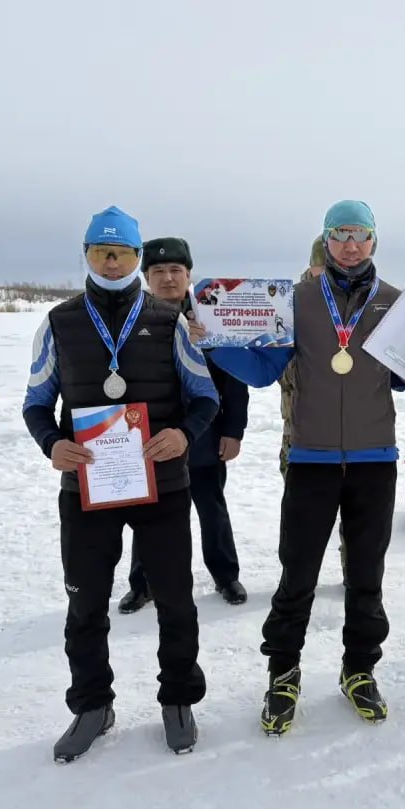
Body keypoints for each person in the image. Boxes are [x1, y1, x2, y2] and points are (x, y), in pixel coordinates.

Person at [212, 201, 405, 736]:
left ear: (374, 241)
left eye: (361, 234)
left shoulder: (397, 304)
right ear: (326, 240)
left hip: (374, 460)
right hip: (311, 459)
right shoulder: (295, 299)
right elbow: (264, 370)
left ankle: (359, 670)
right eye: (340, 233)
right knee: (297, 575)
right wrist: (215, 341)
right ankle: (283, 674)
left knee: (366, 577)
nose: (351, 244)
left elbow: (404, 378)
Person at [22, 206, 219, 761]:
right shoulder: (59, 323)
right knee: (85, 602)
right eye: (101, 252)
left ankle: (178, 699)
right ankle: (92, 705)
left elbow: (205, 397)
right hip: (87, 487)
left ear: (137, 257)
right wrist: (51, 443)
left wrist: (183, 434)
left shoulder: (169, 321)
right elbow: (36, 402)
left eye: (123, 253)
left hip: (163, 484)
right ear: (86, 255)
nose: (112, 262)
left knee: (175, 598)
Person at [118, 236, 251, 613]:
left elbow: (234, 380)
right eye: (158, 271)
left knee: (212, 510)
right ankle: (142, 583)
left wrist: (233, 431)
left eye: (175, 270)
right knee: (148, 513)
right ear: (145, 277)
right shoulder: (130, 320)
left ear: (189, 274)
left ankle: (226, 576)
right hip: (150, 438)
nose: (168, 278)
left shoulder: (213, 317)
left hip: (205, 436)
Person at [278, 238, 347, 587]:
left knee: (355, 513)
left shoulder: (357, 300)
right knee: (299, 515)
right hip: (301, 432)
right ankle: (294, 578)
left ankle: (353, 571)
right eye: (322, 269)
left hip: (352, 432)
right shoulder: (289, 303)